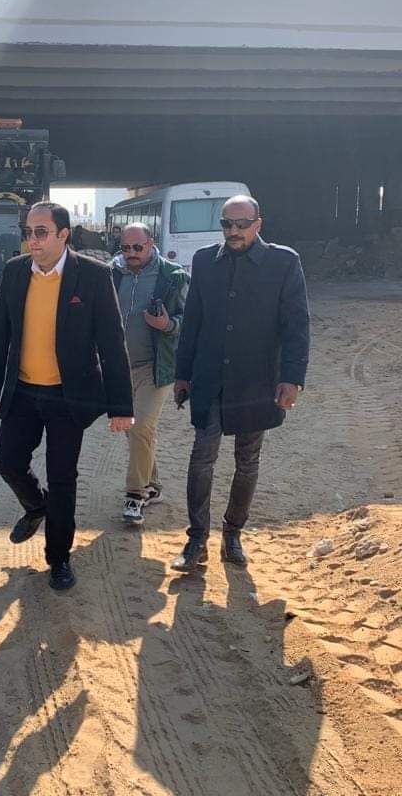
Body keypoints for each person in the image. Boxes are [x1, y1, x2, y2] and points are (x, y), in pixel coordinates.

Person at [0, 201, 133, 591]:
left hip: (69, 396)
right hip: (23, 392)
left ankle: (59, 558)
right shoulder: (15, 272)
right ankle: (37, 507)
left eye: (41, 232)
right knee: (7, 460)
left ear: (63, 235)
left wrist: (121, 406)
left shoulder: (94, 276)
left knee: (63, 477)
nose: (32, 240)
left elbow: (112, 344)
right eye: (28, 232)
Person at [171, 195, 310, 572]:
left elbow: (296, 325)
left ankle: (232, 534)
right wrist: (182, 373)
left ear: (258, 224)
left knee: (247, 460)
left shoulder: (284, 262)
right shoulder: (205, 261)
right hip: (210, 377)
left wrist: (292, 378)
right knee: (202, 456)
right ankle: (197, 539)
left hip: (256, 379)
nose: (233, 231)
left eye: (241, 224)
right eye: (227, 224)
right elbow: (193, 321)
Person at [111, 223, 189, 524]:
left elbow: (190, 318)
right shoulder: (111, 273)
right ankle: (153, 484)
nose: (131, 253)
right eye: (125, 248)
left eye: (137, 247)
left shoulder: (173, 276)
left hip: (155, 367)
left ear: (151, 243)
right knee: (135, 431)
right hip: (119, 367)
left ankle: (135, 495)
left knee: (140, 425)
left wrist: (168, 325)